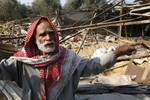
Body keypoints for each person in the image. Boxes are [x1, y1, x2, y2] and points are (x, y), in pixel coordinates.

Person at [0, 16, 141, 100]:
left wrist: (118, 51)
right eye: (42, 34)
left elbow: (94, 65)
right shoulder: (22, 61)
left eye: (51, 33)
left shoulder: (69, 59)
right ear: (34, 39)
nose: (48, 38)